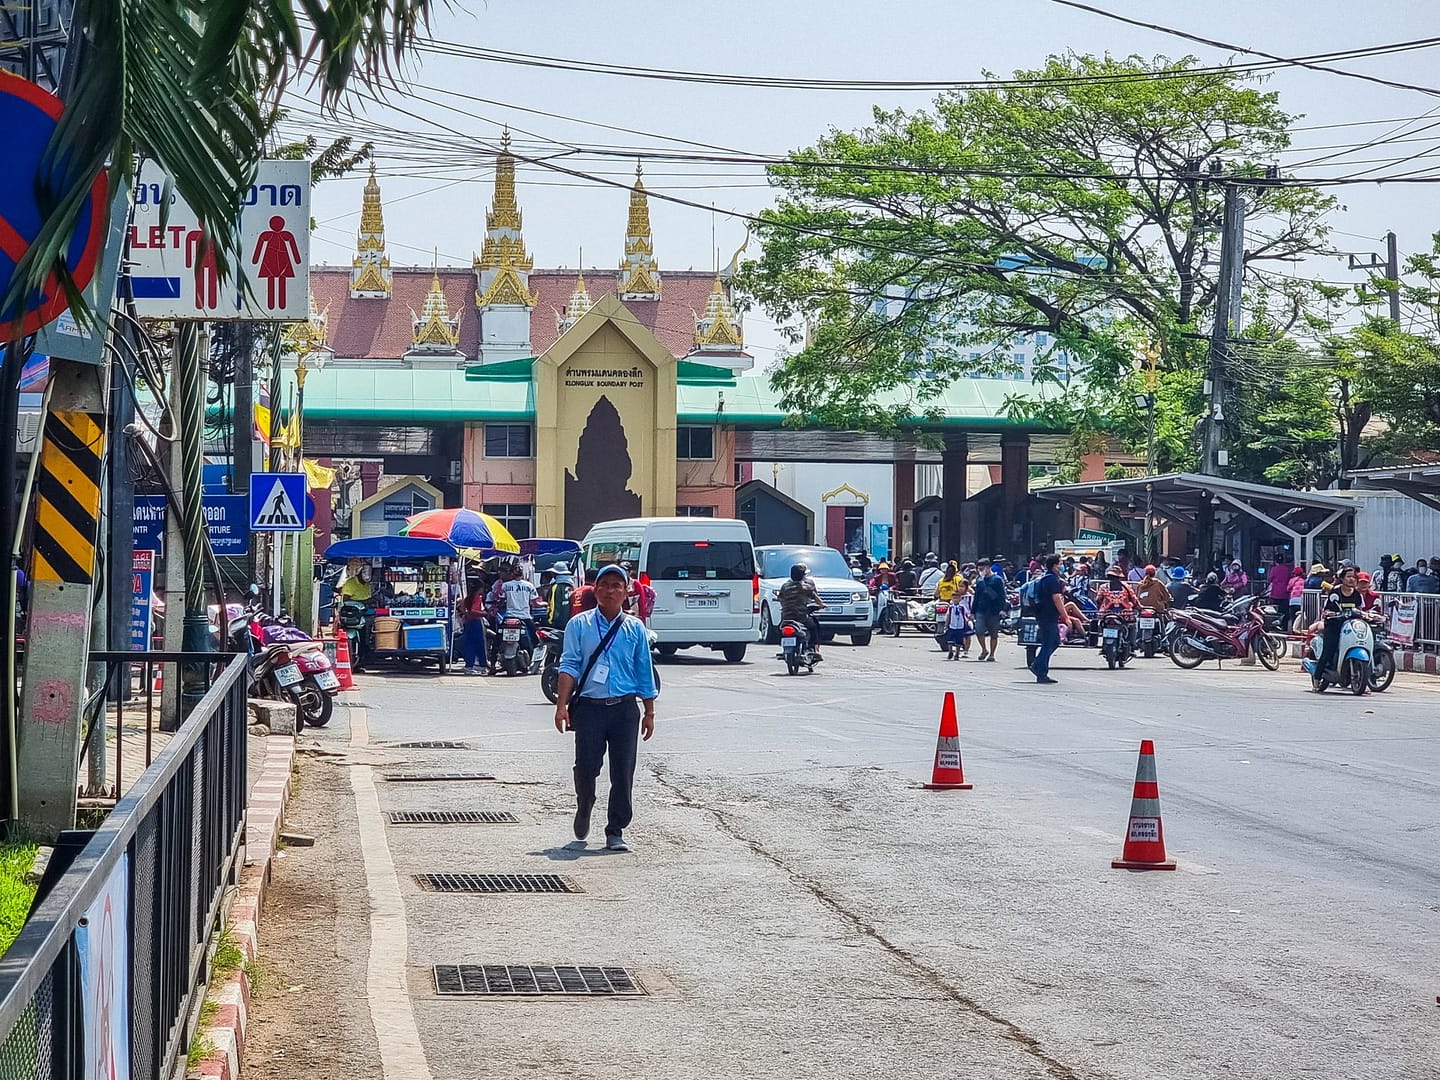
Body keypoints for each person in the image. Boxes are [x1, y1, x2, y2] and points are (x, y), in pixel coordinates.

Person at [554, 564, 658, 853]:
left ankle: (616, 829)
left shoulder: (635, 628)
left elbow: (643, 671)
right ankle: (584, 804)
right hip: (589, 708)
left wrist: (649, 711)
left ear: (626, 592)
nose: (610, 590)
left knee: (623, 771)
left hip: (624, 710)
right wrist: (562, 706)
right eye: (604, 585)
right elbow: (569, 665)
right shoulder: (579, 625)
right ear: (595, 590)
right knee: (586, 768)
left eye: (617, 585)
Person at [1313, 566, 1368, 685]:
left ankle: (1368, 679)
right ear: (1342, 578)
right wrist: (1329, 613)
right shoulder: (1335, 592)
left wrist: (1368, 615)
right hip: (1334, 625)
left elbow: (1360, 609)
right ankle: (1317, 677)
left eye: (1354, 577)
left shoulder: (1357, 594)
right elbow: (1326, 609)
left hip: (1352, 626)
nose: (1351, 579)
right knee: (1329, 650)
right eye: (1348, 577)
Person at [1031, 554, 1067, 684]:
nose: (1062, 566)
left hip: (1046, 615)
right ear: (1055, 565)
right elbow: (1057, 599)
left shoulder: (1047, 578)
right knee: (1049, 643)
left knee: (1054, 641)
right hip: (1048, 616)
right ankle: (1040, 670)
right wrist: (1065, 617)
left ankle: (1039, 666)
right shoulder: (1051, 580)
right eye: (1060, 563)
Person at [778, 563, 826, 660]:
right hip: (801, 617)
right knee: (813, 627)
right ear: (803, 576)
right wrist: (821, 605)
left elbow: (780, 598)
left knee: (780, 629)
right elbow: (816, 598)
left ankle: (784, 649)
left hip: (786, 616)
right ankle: (816, 650)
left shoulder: (784, 586)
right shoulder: (806, 587)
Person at [971, 563, 1008, 662]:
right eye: (979, 569)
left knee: (993, 633)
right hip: (980, 609)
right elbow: (976, 596)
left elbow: (1002, 595)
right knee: (979, 630)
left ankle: (992, 654)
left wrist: (1003, 609)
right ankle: (984, 649)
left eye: (982, 569)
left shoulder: (997, 580)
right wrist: (972, 611)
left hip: (993, 610)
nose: (980, 571)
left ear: (988, 568)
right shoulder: (979, 581)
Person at [500, 562, 541, 649]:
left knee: (499, 637)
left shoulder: (505, 585)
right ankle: (535, 656)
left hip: (509, 617)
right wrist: (545, 604)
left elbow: (502, 600)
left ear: (511, 574)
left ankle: (493, 659)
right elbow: (535, 604)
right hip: (525, 617)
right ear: (522, 574)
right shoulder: (530, 586)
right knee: (536, 639)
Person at [457, 579, 490, 675]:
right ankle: (482, 665)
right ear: (479, 588)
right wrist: (484, 614)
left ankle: (469, 665)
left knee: (470, 645)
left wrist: (466, 613)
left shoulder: (468, 598)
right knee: (480, 644)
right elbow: (473, 611)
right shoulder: (477, 597)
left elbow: (465, 609)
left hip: (468, 622)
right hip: (475, 621)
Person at [945, 578, 974, 660]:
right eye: (959, 586)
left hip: (966, 619)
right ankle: (953, 651)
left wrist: (971, 615)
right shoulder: (955, 596)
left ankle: (966, 651)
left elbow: (972, 607)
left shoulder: (969, 597)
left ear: (966, 587)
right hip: (954, 620)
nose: (961, 588)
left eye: (963, 586)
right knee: (954, 637)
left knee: (967, 635)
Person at [544, 563, 576, 629]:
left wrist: (550, 622)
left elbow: (553, 606)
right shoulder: (571, 586)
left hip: (558, 624)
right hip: (570, 622)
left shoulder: (556, 587)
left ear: (555, 574)